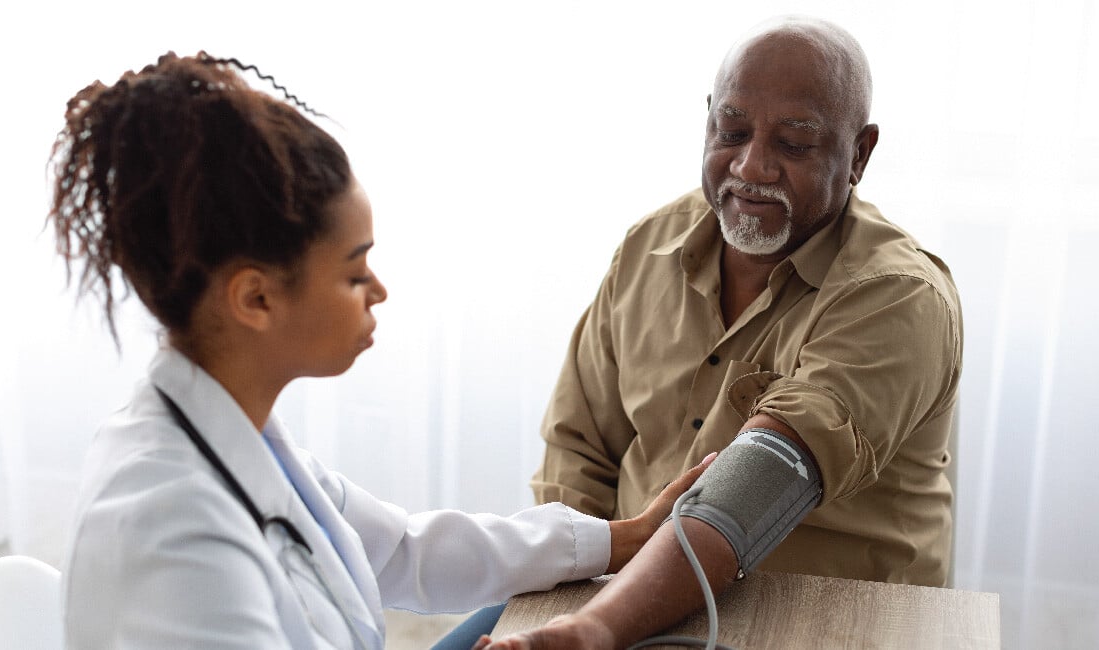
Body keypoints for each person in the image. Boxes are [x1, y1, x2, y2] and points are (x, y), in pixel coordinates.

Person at [47, 52, 712, 649]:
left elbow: (404, 551)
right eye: (355, 272)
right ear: (255, 300)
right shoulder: (174, 534)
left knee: (551, 612)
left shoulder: (236, 434)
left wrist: (623, 538)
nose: (380, 291)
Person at [479, 15, 963, 648]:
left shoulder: (898, 296)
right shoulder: (651, 245)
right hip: (617, 600)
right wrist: (569, 597)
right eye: (731, 131)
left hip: (821, 621)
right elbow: (578, 447)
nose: (752, 166)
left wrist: (593, 629)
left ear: (859, 155)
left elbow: (759, 485)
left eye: (793, 144)